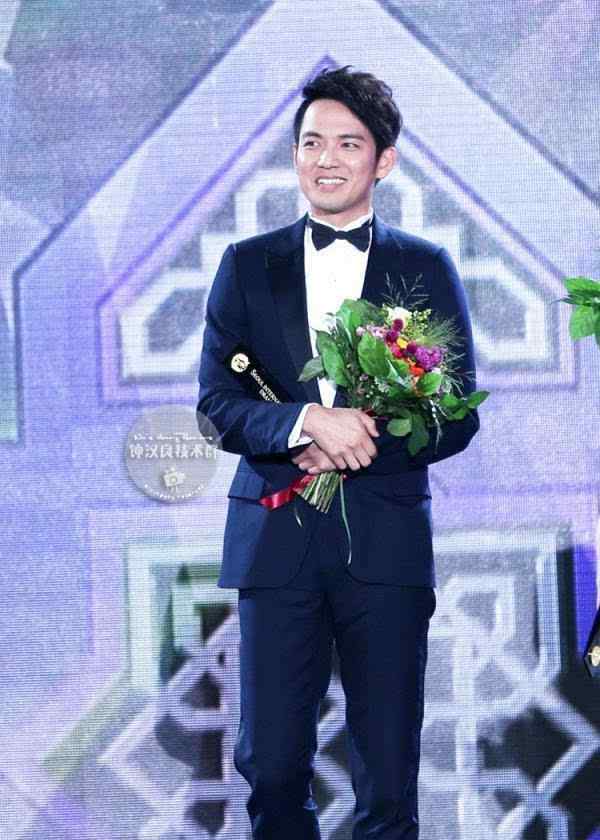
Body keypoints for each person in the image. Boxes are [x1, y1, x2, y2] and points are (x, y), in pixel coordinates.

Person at [197, 66, 480, 840]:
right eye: (311, 143)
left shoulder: (424, 267)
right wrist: (306, 423)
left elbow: (455, 413)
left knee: (387, 777)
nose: (326, 159)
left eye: (348, 144)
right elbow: (216, 406)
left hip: (385, 545)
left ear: (384, 160)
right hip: (274, 542)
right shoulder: (246, 265)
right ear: (295, 155)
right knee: (271, 766)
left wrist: (358, 443)